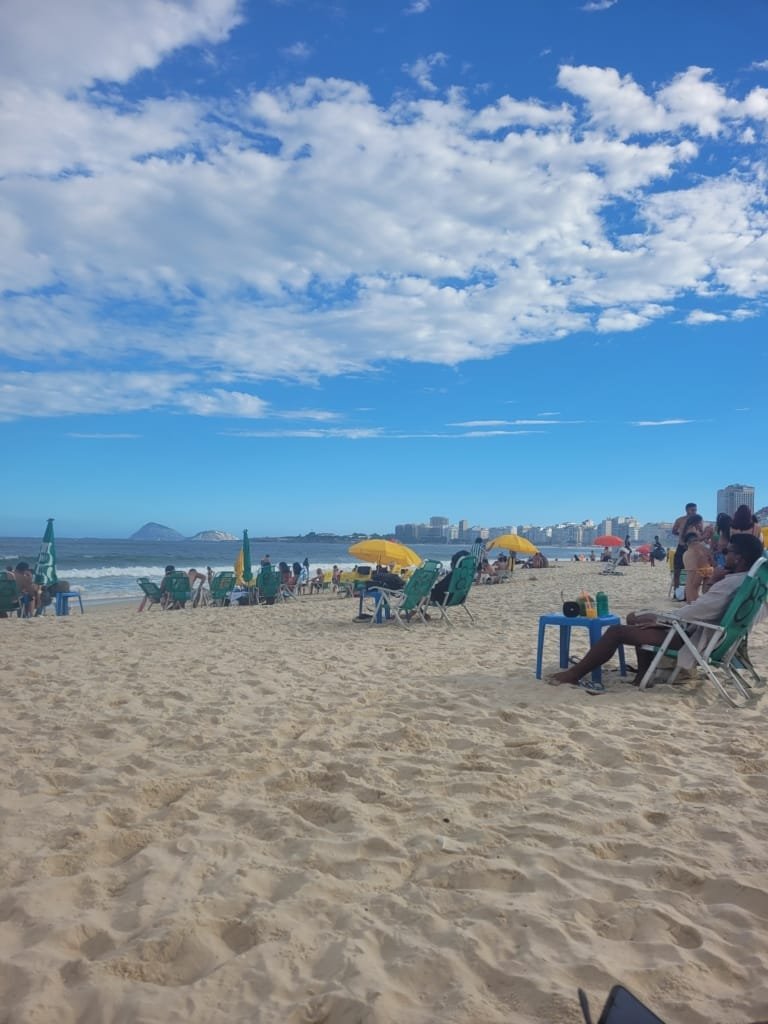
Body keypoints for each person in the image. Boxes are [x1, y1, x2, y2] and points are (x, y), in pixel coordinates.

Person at [549, 534, 764, 687]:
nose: (723, 555)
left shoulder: (727, 584)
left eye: (728, 552)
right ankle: (643, 675)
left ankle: (574, 674)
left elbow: (695, 612)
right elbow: (707, 610)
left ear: (740, 558)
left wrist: (665, 620)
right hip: (710, 634)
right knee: (635, 616)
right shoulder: (748, 585)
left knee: (616, 632)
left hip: (691, 635)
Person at [681, 528, 713, 604]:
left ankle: (692, 604)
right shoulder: (704, 548)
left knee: (692, 588)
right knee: (707, 591)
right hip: (708, 568)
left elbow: (691, 568)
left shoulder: (689, 551)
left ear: (687, 542)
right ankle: (706, 604)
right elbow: (711, 559)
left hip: (696, 570)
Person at [671, 501, 697, 590]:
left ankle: (690, 590)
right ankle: (676, 590)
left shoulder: (698, 520)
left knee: (692, 570)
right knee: (677, 569)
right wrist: (682, 534)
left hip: (693, 547)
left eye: (695, 510)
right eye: (692, 510)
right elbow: (674, 531)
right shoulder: (680, 520)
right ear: (687, 510)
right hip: (682, 546)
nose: (694, 512)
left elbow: (701, 532)